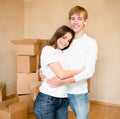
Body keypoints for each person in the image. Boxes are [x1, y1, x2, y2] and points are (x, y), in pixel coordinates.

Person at [46, 6, 98, 119]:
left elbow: (89, 72)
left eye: (79, 18)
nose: (75, 22)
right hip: (59, 92)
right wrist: (43, 71)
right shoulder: (65, 40)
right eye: (72, 18)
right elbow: (52, 57)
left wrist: (63, 82)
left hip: (78, 93)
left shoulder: (90, 43)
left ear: (85, 21)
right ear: (69, 20)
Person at [34, 25, 84, 119]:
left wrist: (41, 70)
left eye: (68, 40)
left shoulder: (63, 53)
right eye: (64, 37)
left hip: (64, 99)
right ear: (58, 35)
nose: (65, 42)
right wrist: (81, 71)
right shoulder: (48, 50)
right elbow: (61, 74)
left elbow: (67, 74)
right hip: (48, 99)